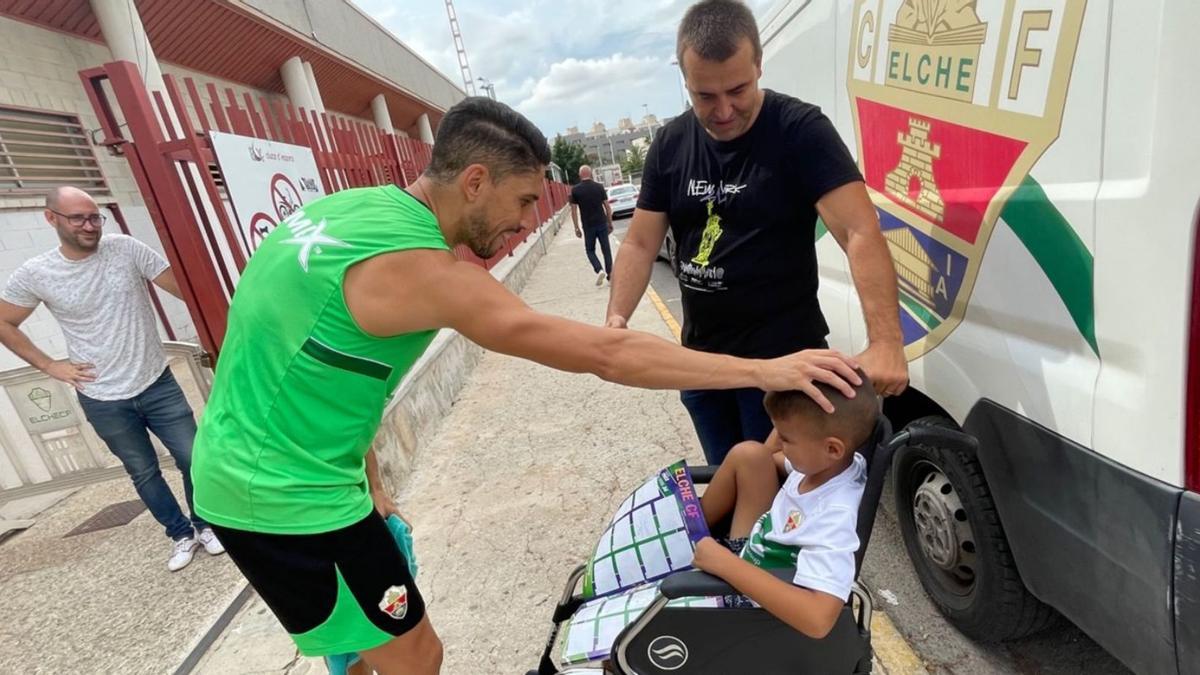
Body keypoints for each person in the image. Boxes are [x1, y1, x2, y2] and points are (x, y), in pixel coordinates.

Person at [191, 96, 863, 675]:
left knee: (373, 646)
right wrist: (763, 369)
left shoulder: (354, 213)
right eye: (520, 200)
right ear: (475, 180)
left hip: (266, 473)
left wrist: (366, 474)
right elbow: (604, 353)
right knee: (417, 655)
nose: (523, 219)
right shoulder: (426, 271)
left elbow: (305, 347)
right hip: (285, 500)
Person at [605, 0, 908, 465]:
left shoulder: (800, 131)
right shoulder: (669, 145)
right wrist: (617, 321)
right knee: (729, 488)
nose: (723, 110)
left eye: (738, 89)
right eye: (704, 95)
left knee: (777, 505)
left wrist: (886, 342)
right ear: (685, 82)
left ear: (759, 65)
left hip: (788, 371)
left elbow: (859, 232)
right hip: (703, 368)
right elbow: (641, 243)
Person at [0, 186, 223, 572]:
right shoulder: (37, 273)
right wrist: (51, 366)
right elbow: (5, 321)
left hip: (157, 383)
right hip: (102, 397)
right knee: (143, 470)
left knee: (194, 457)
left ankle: (204, 524)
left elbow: (185, 289)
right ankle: (180, 534)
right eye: (78, 218)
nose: (90, 226)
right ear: (51, 218)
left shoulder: (126, 248)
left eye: (94, 217)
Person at [692, 372, 880, 638]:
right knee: (749, 454)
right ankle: (686, 539)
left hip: (753, 601)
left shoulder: (835, 516)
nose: (779, 444)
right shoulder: (831, 465)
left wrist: (724, 563)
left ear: (833, 449)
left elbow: (819, 620)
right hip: (759, 549)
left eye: (786, 439)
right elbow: (766, 459)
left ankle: (688, 550)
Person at [569, 164, 614, 286]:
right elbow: (608, 207)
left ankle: (599, 269)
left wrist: (576, 227)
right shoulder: (599, 187)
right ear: (591, 174)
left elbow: (573, 211)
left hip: (588, 226)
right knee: (606, 250)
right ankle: (610, 275)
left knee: (590, 250)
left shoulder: (575, 190)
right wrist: (609, 223)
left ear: (580, 175)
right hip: (601, 223)